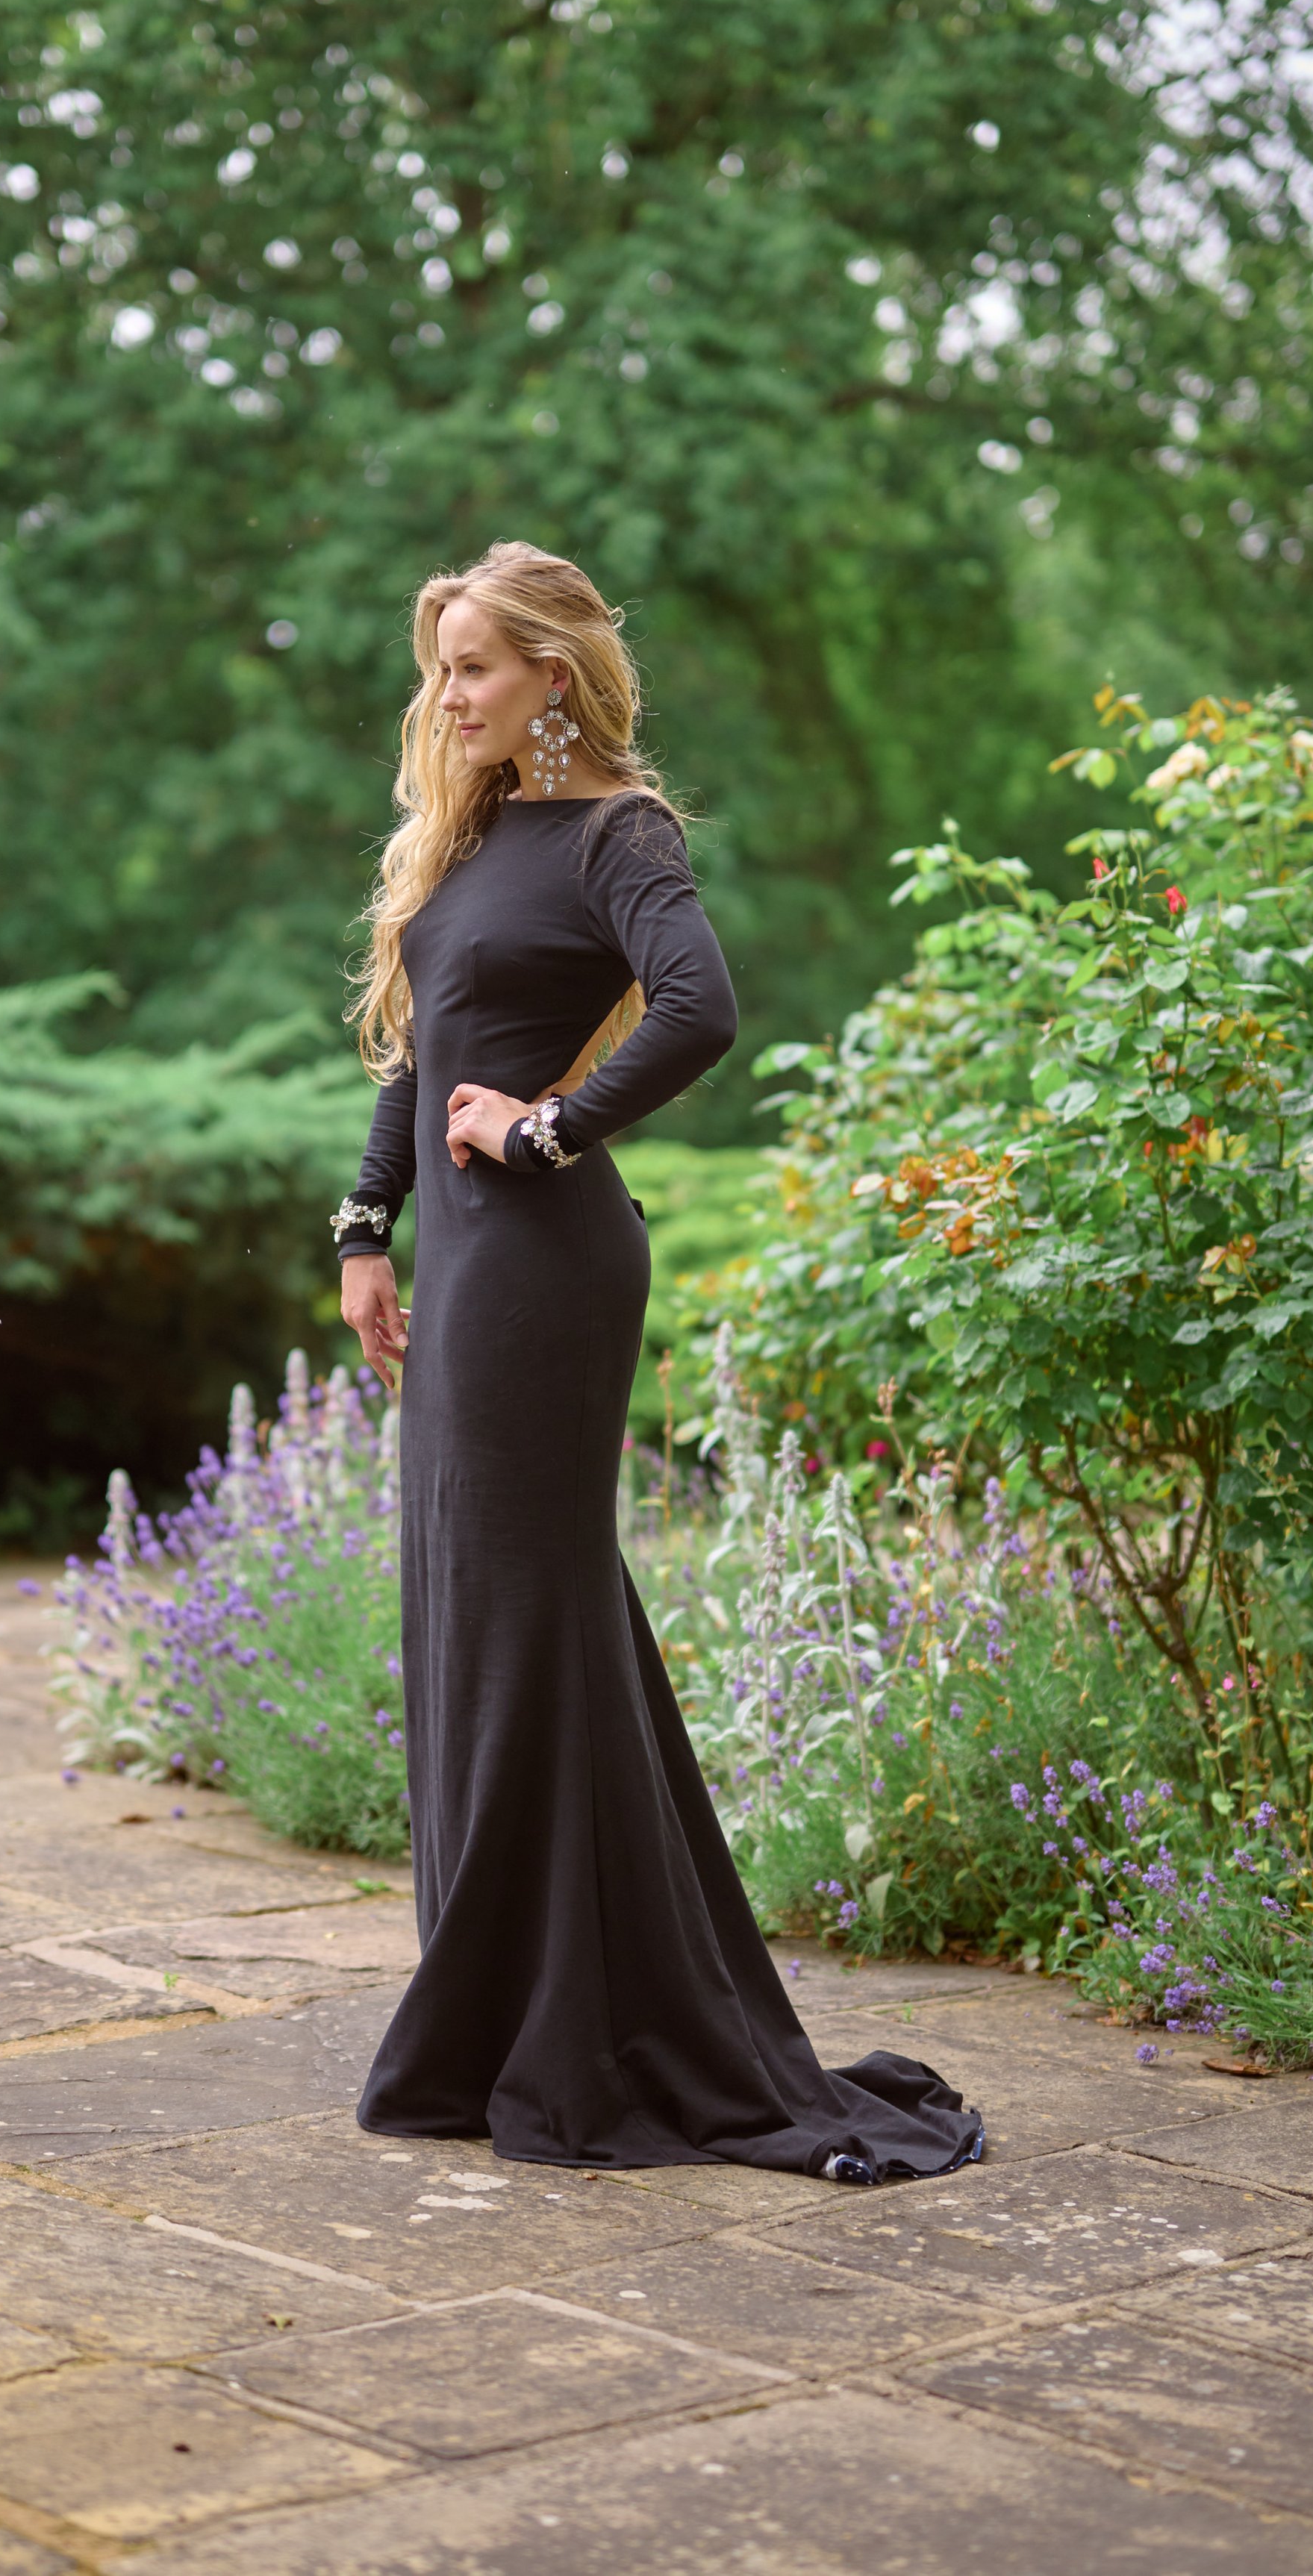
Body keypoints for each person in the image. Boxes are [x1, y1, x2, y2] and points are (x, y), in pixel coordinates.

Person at [335, 540, 982, 2183]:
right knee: (480, 1611)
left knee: (524, 1606)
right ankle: (510, 2006)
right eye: (439, 669)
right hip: (467, 1264)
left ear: (550, 671)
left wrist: (549, 1125)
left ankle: (567, 2022)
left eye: (474, 665)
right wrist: (361, 1231)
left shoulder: (617, 830)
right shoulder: (468, 834)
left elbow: (699, 1007)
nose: (447, 694)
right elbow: (419, 1059)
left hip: (545, 1267)